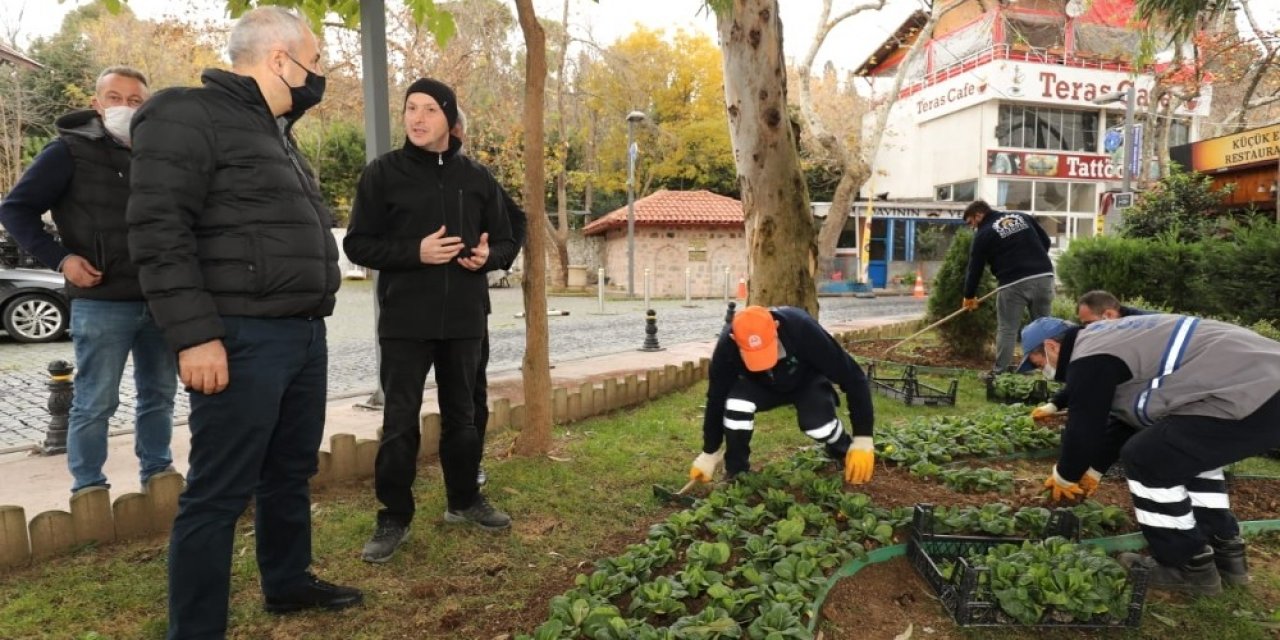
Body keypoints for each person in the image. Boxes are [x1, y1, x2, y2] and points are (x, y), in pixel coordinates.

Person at [126, 8, 361, 636]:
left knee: (290, 471)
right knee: (219, 492)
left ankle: (287, 582)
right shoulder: (187, 115)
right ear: (279, 59)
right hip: (239, 336)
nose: (319, 75)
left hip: (302, 332)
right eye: (314, 61)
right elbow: (157, 232)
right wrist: (195, 334)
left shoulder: (274, 131)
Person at [345, 78, 518, 564]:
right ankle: (393, 516)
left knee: (465, 417)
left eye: (429, 110)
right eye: (410, 109)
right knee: (400, 423)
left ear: (449, 118)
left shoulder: (478, 178)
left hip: (465, 319)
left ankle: (463, 501)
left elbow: (506, 240)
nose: (417, 119)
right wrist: (414, 253)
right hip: (405, 320)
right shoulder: (383, 174)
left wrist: (488, 257)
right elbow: (357, 243)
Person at [0, 67, 177, 494]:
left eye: (136, 101)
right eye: (115, 97)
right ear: (97, 104)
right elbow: (15, 209)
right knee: (96, 401)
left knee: (160, 396)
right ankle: (89, 486)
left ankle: (158, 474)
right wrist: (61, 259)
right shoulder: (67, 151)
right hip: (102, 300)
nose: (125, 107)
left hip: (163, 297)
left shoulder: (162, 154)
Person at [1018, 314, 1280, 595]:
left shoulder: (1089, 356)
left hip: (1256, 391)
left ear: (1052, 346)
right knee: (1186, 452)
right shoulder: (1106, 340)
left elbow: (1084, 427)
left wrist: (1065, 475)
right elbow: (1126, 418)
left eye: (1037, 361)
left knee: (1147, 457)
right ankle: (1224, 552)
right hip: (1263, 381)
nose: (1039, 368)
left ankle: (1186, 565)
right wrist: (1094, 470)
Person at [690, 305, 876, 485]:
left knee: (820, 428)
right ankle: (736, 471)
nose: (766, 363)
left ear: (776, 327)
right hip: (761, 385)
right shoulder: (726, 347)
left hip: (806, 382)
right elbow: (716, 398)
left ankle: (842, 448)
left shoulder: (802, 328)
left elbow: (853, 377)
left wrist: (863, 437)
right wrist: (709, 452)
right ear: (734, 338)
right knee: (736, 405)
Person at [450, 109, 528, 489]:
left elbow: (516, 224)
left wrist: (492, 260)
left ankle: (469, 467)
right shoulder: (395, 173)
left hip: (468, 309)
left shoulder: (477, 177)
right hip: (412, 312)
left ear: (459, 131)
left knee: (470, 396)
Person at [960, 200, 1055, 375]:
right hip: (1044, 277)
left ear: (979, 215)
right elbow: (1046, 241)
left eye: (971, 222)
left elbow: (975, 267)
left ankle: (1000, 372)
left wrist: (969, 295)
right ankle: (1045, 371)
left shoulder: (984, 234)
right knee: (1042, 326)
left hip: (1013, 283)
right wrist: (1035, 261)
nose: (972, 227)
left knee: (1007, 328)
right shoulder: (1022, 216)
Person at [1030, 290, 1151, 420]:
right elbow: (1087, 377)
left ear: (1109, 315)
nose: (1086, 330)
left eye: (1089, 323)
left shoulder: (1140, 331)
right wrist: (1055, 404)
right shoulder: (1112, 331)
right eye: (1083, 325)